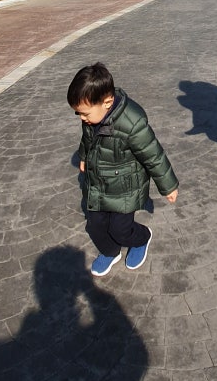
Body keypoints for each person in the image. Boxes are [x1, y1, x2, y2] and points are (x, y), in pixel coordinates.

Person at [67, 61, 178, 277]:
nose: (82, 119)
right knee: (95, 224)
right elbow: (87, 139)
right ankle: (110, 251)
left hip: (126, 187)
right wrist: (83, 156)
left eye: (84, 114)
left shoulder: (132, 122)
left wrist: (168, 186)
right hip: (98, 182)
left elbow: (153, 154)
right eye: (79, 114)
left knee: (120, 228)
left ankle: (141, 238)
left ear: (107, 102)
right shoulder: (91, 119)